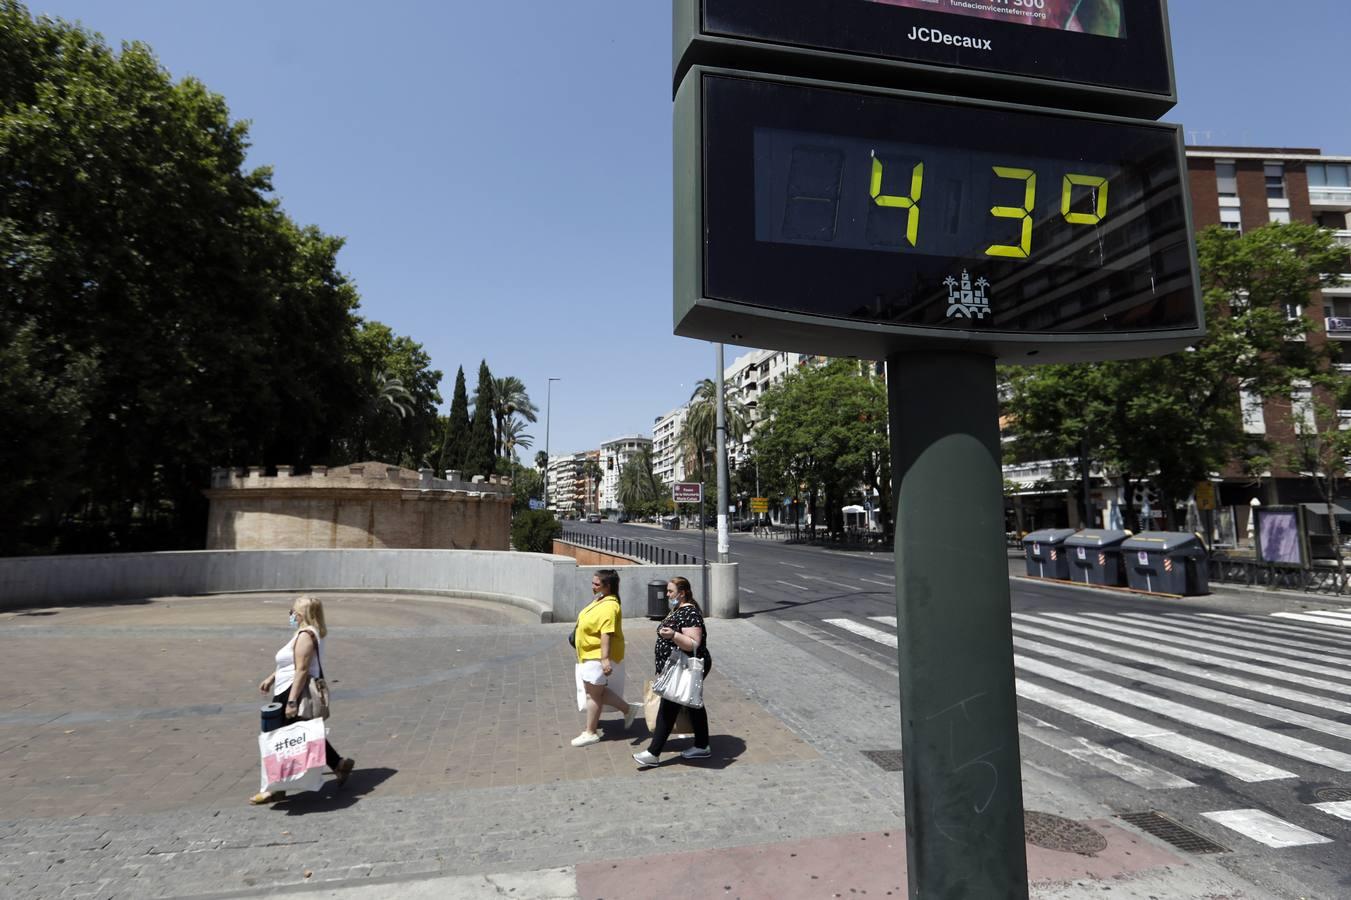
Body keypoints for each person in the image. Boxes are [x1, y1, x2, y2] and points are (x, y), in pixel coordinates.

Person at [251, 595, 355, 804]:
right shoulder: (303, 633)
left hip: (293, 691)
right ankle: (339, 764)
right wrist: (272, 677)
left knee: (277, 740)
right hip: (286, 688)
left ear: (301, 614)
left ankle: (274, 789)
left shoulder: (306, 635)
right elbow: (290, 663)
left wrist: (291, 701)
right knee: (304, 735)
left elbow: (302, 669)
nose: (290, 615)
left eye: (293, 611)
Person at [633, 576, 711, 769]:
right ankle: (702, 745)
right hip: (676, 666)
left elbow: (694, 643)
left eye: (670, 591)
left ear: (682, 593)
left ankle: (653, 753)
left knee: (669, 707)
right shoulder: (678, 609)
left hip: (685, 666)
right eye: (667, 591)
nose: (667, 595)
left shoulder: (690, 612)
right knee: (692, 703)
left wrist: (674, 635)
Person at [571, 569, 638, 747]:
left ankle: (590, 732)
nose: (593, 586)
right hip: (589, 652)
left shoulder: (609, 606)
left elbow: (606, 634)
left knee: (593, 694)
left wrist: (605, 659)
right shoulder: (601, 599)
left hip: (596, 655)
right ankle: (628, 709)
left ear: (608, 586)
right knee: (594, 691)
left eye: (597, 584)